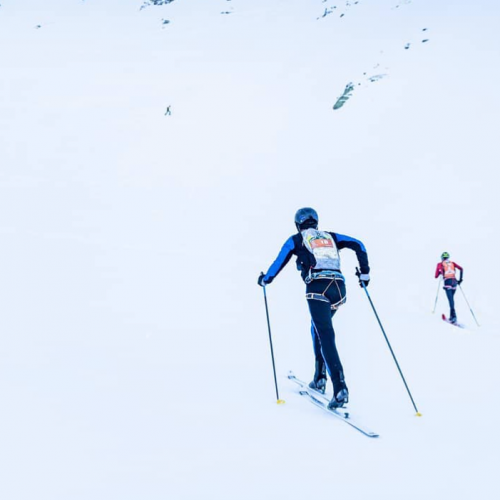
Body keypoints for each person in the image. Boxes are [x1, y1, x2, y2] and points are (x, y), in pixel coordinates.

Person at [258, 207, 370, 409]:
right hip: (339, 288)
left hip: (317, 286)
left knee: (325, 333)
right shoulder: (331, 236)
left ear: (297, 224)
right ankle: (319, 377)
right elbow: (359, 245)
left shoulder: (296, 239)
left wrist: (266, 279)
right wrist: (364, 274)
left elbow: (280, 260)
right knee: (318, 329)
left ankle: (340, 387)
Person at [435, 252, 463, 323]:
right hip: (454, 282)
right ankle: (452, 316)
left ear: (442, 258)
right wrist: (460, 280)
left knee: (450, 300)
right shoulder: (452, 263)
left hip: (447, 282)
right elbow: (461, 269)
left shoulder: (440, 264)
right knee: (452, 300)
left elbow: (436, 276)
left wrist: (440, 272)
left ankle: (454, 317)